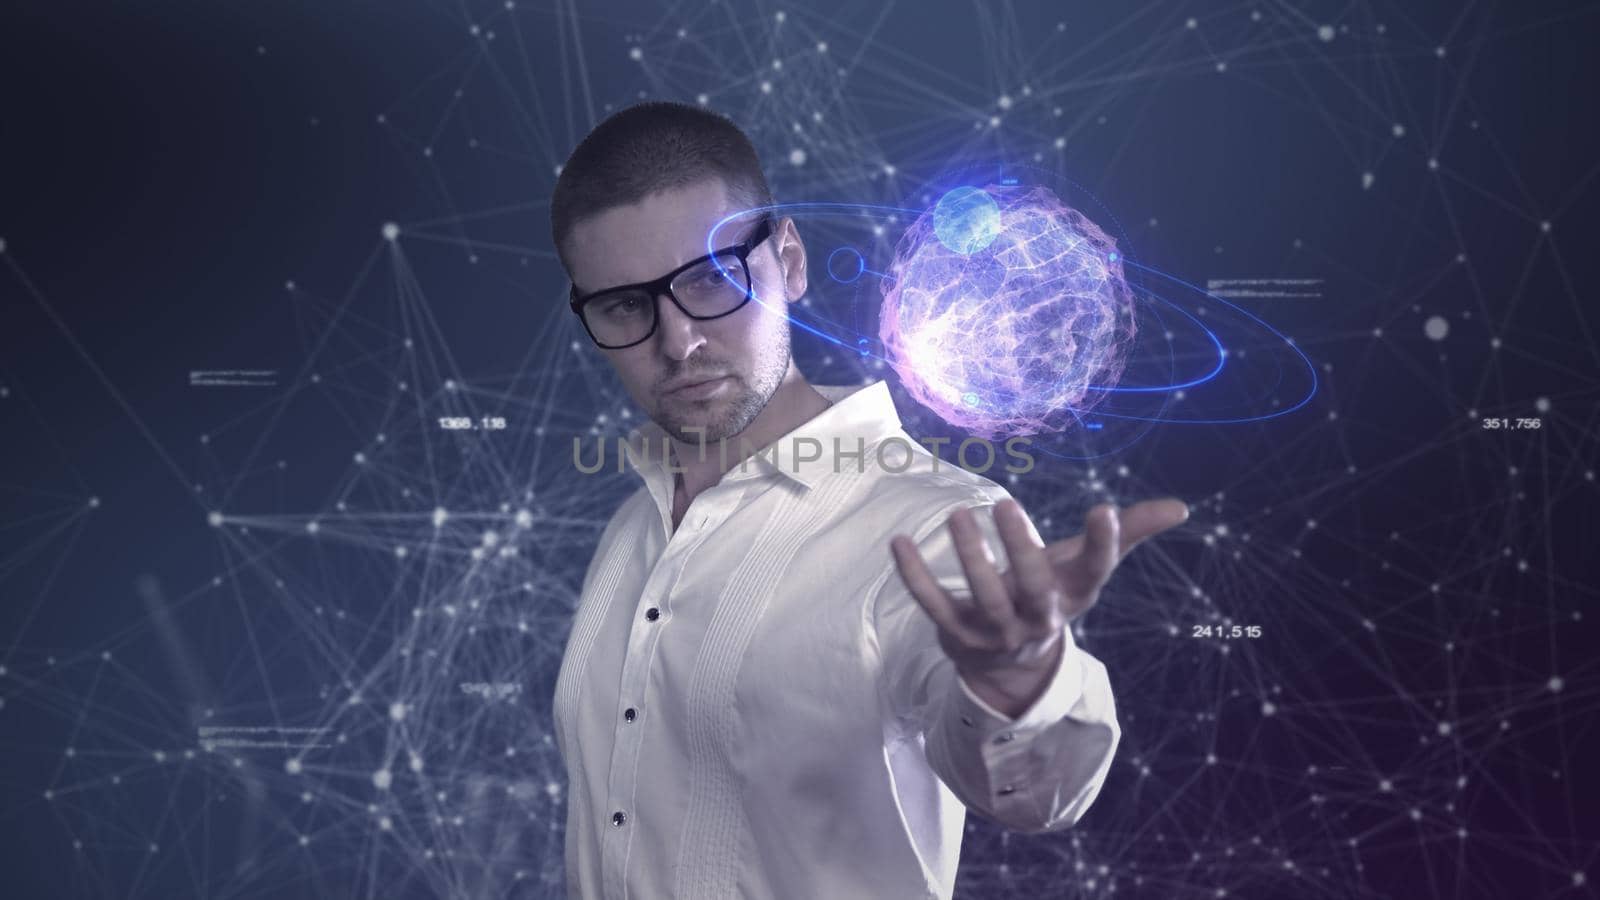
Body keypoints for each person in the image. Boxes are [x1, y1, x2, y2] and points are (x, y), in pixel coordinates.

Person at [549, 100, 1187, 900]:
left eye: (712, 279)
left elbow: (1035, 795)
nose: (678, 341)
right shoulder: (631, 528)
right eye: (623, 306)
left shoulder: (936, 524)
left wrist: (1018, 681)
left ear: (788, 257)